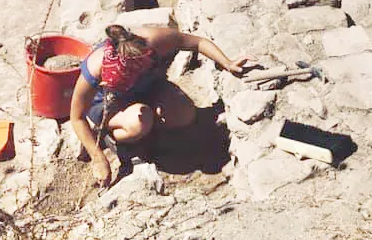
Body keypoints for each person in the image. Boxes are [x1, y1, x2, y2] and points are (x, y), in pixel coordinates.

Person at [70, 24, 247, 187]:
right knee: (139, 122)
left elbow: (198, 42)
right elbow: (76, 117)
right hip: (108, 103)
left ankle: (151, 133)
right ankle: (115, 136)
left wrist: (227, 63)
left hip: (149, 88)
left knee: (184, 113)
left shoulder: (153, 41)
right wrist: (98, 158)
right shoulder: (95, 68)